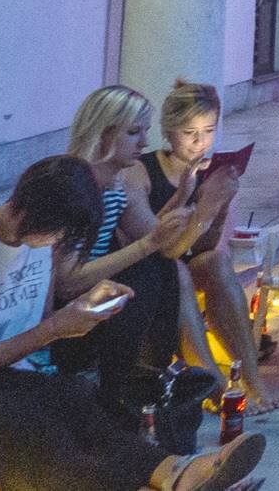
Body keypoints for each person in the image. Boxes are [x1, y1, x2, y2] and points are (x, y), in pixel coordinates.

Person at [0, 156, 269, 491]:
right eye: (58, 234)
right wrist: (55, 329)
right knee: (29, 421)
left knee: (79, 397)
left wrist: (81, 308)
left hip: (14, 377)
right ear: (24, 211)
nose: (58, 243)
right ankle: (168, 480)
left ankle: (173, 470)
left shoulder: (41, 242)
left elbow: (39, 323)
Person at [57, 87, 218, 397]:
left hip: (93, 288)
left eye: (144, 130)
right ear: (102, 134)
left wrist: (189, 197)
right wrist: (199, 215)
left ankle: (147, 378)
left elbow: (163, 243)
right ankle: (126, 386)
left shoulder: (117, 182)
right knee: (148, 271)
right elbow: (67, 282)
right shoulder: (72, 185)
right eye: (133, 132)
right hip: (62, 305)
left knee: (162, 268)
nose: (144, 141)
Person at [143, 82, 279, 413]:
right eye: (188, 132)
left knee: (216, 261)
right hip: (149, 273)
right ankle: (215, 386)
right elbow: (162, 252)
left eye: (208, 131)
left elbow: (202, 246)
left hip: (180, 266)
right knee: (176, 270)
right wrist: (204, 213)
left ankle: (252, 379)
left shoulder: (207, 170)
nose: (199, 142)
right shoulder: (146, 172)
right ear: (167, 131)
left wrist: (220, 208)